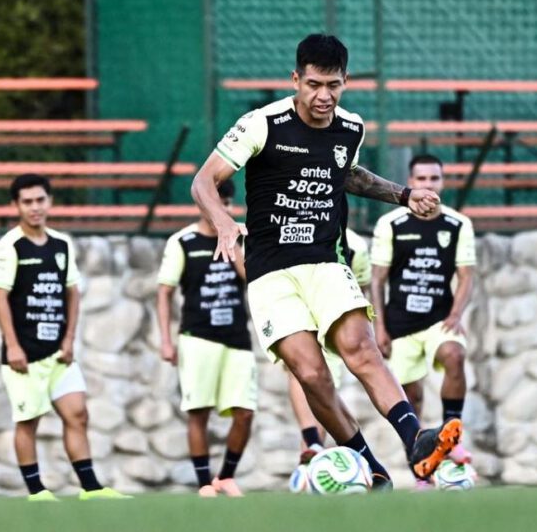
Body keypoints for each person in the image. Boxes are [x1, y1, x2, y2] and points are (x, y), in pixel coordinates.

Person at [190, 33, 460, 488]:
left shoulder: (350, 127)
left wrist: (405, 195)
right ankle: (370, 466)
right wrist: (222, 220)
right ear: (296, 79)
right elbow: (203, 181)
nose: (323, 96)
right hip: (270, 272)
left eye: (333, 85)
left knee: (361, 348)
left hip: (325, 260)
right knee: (312, 373)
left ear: (345, 82)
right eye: (313, 84)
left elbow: (347, 173)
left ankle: (417, 441)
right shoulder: (262, 124)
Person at [0, 174, 129, 501]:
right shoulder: (9, 247)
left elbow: (72, 292)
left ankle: (91, 488)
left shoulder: (61, 244)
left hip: (59, 354)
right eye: (27, 202)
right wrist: (12, 344)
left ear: (49, 201)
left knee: (77, 413)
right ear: (16, 206)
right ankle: (37, 491)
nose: (35, 207)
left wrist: (69, 339)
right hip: (23, 355)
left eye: (40, 200)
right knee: (28, 420)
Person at [370, 154, 475, 488]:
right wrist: (380, 328)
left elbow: (466, 275)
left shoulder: (458, 224)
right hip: (399, 327)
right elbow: (377, 279)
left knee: (454, 356)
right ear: (411, 182)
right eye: (422, 179)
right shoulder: (391, 224)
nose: (428, 185)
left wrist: (456, 314)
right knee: (409, 402)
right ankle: (421, 472)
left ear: (442, 183)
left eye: (434, 179)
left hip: (438, 321)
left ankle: (450, 435)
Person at [157, 180, 257, 497]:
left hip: (237, 337)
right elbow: (164, 292)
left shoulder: (237, 242)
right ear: (204, 205)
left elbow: (250, 279)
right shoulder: (182, 242)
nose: (223, 209)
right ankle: (204, 484)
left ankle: (226, 476)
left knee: (245, 412)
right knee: (199, 411)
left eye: (227, 203)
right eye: (217, 203)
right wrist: (166, 340)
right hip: (198, 337)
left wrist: (234, 242)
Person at [288, 227, 369, 462]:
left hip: (330, 329)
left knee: (322, 389)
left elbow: (360, 289)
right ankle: (313, 445)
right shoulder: (292, 233)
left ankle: (312, 459)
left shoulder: (356, 245)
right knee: (304, 377)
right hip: (299, 323)